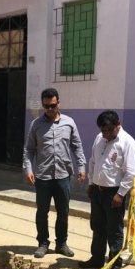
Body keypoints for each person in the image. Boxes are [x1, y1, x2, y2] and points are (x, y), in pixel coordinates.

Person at [23, 88, 86, 259]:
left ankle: (61, 244)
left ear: (58, 103)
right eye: (46, 106)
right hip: (43, 177)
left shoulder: (69, 123)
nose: (49, 109)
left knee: (63, 212)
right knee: (42, 212)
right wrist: (28, 169)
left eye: (52, 105)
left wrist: (81, 167)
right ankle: (43, 243)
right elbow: (29, 149)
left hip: (63, 176)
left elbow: (77, 146)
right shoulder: (36, 124)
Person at [79, 110, 135, 269]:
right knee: (97, 227)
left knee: (114, 230)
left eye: (109, 130)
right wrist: (91, 183)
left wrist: (120, 194)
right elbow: (93, 162)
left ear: (118, 125)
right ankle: (97, 258)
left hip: (114, 193)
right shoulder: (99, 139)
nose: (106, 134)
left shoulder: (128, 143)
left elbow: (130, 172)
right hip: (97, 191)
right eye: (103, 130)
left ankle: (114, 264)